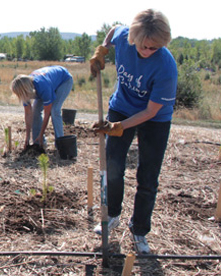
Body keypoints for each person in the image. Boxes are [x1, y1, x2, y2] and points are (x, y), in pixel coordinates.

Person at [90, 9, 177, 254]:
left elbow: (150, 112)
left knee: (148, 177)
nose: (147, 51)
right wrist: (103, 49)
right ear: (134, 37)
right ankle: (113, 214)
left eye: (154, 48)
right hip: (121, 106)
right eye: (144, 46)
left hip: (155, 118)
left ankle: (139, 230)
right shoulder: (125, 36)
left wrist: (117, 127)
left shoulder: (166, 68)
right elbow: (114, 28)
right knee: (113, 166)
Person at [10, 65, 73, 149]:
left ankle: (60, 144)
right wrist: (27, 138)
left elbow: (47, 114)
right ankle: (37, 143)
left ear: (25, 90)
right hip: (49, 82)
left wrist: (41, 134)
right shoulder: (27, 89)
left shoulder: (42, 86)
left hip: (64, 80)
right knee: (35, 111)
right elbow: (28, 114)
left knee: (55, 110)